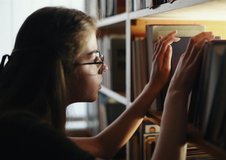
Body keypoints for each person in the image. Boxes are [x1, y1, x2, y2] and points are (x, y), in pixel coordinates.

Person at [0, 7, 213, 160]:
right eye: (95, 58)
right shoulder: (28, 136)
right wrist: (177, 91)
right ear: (60, 70)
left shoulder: (17, 123)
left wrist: (154, 86)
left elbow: (102, 146)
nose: (104, 67)